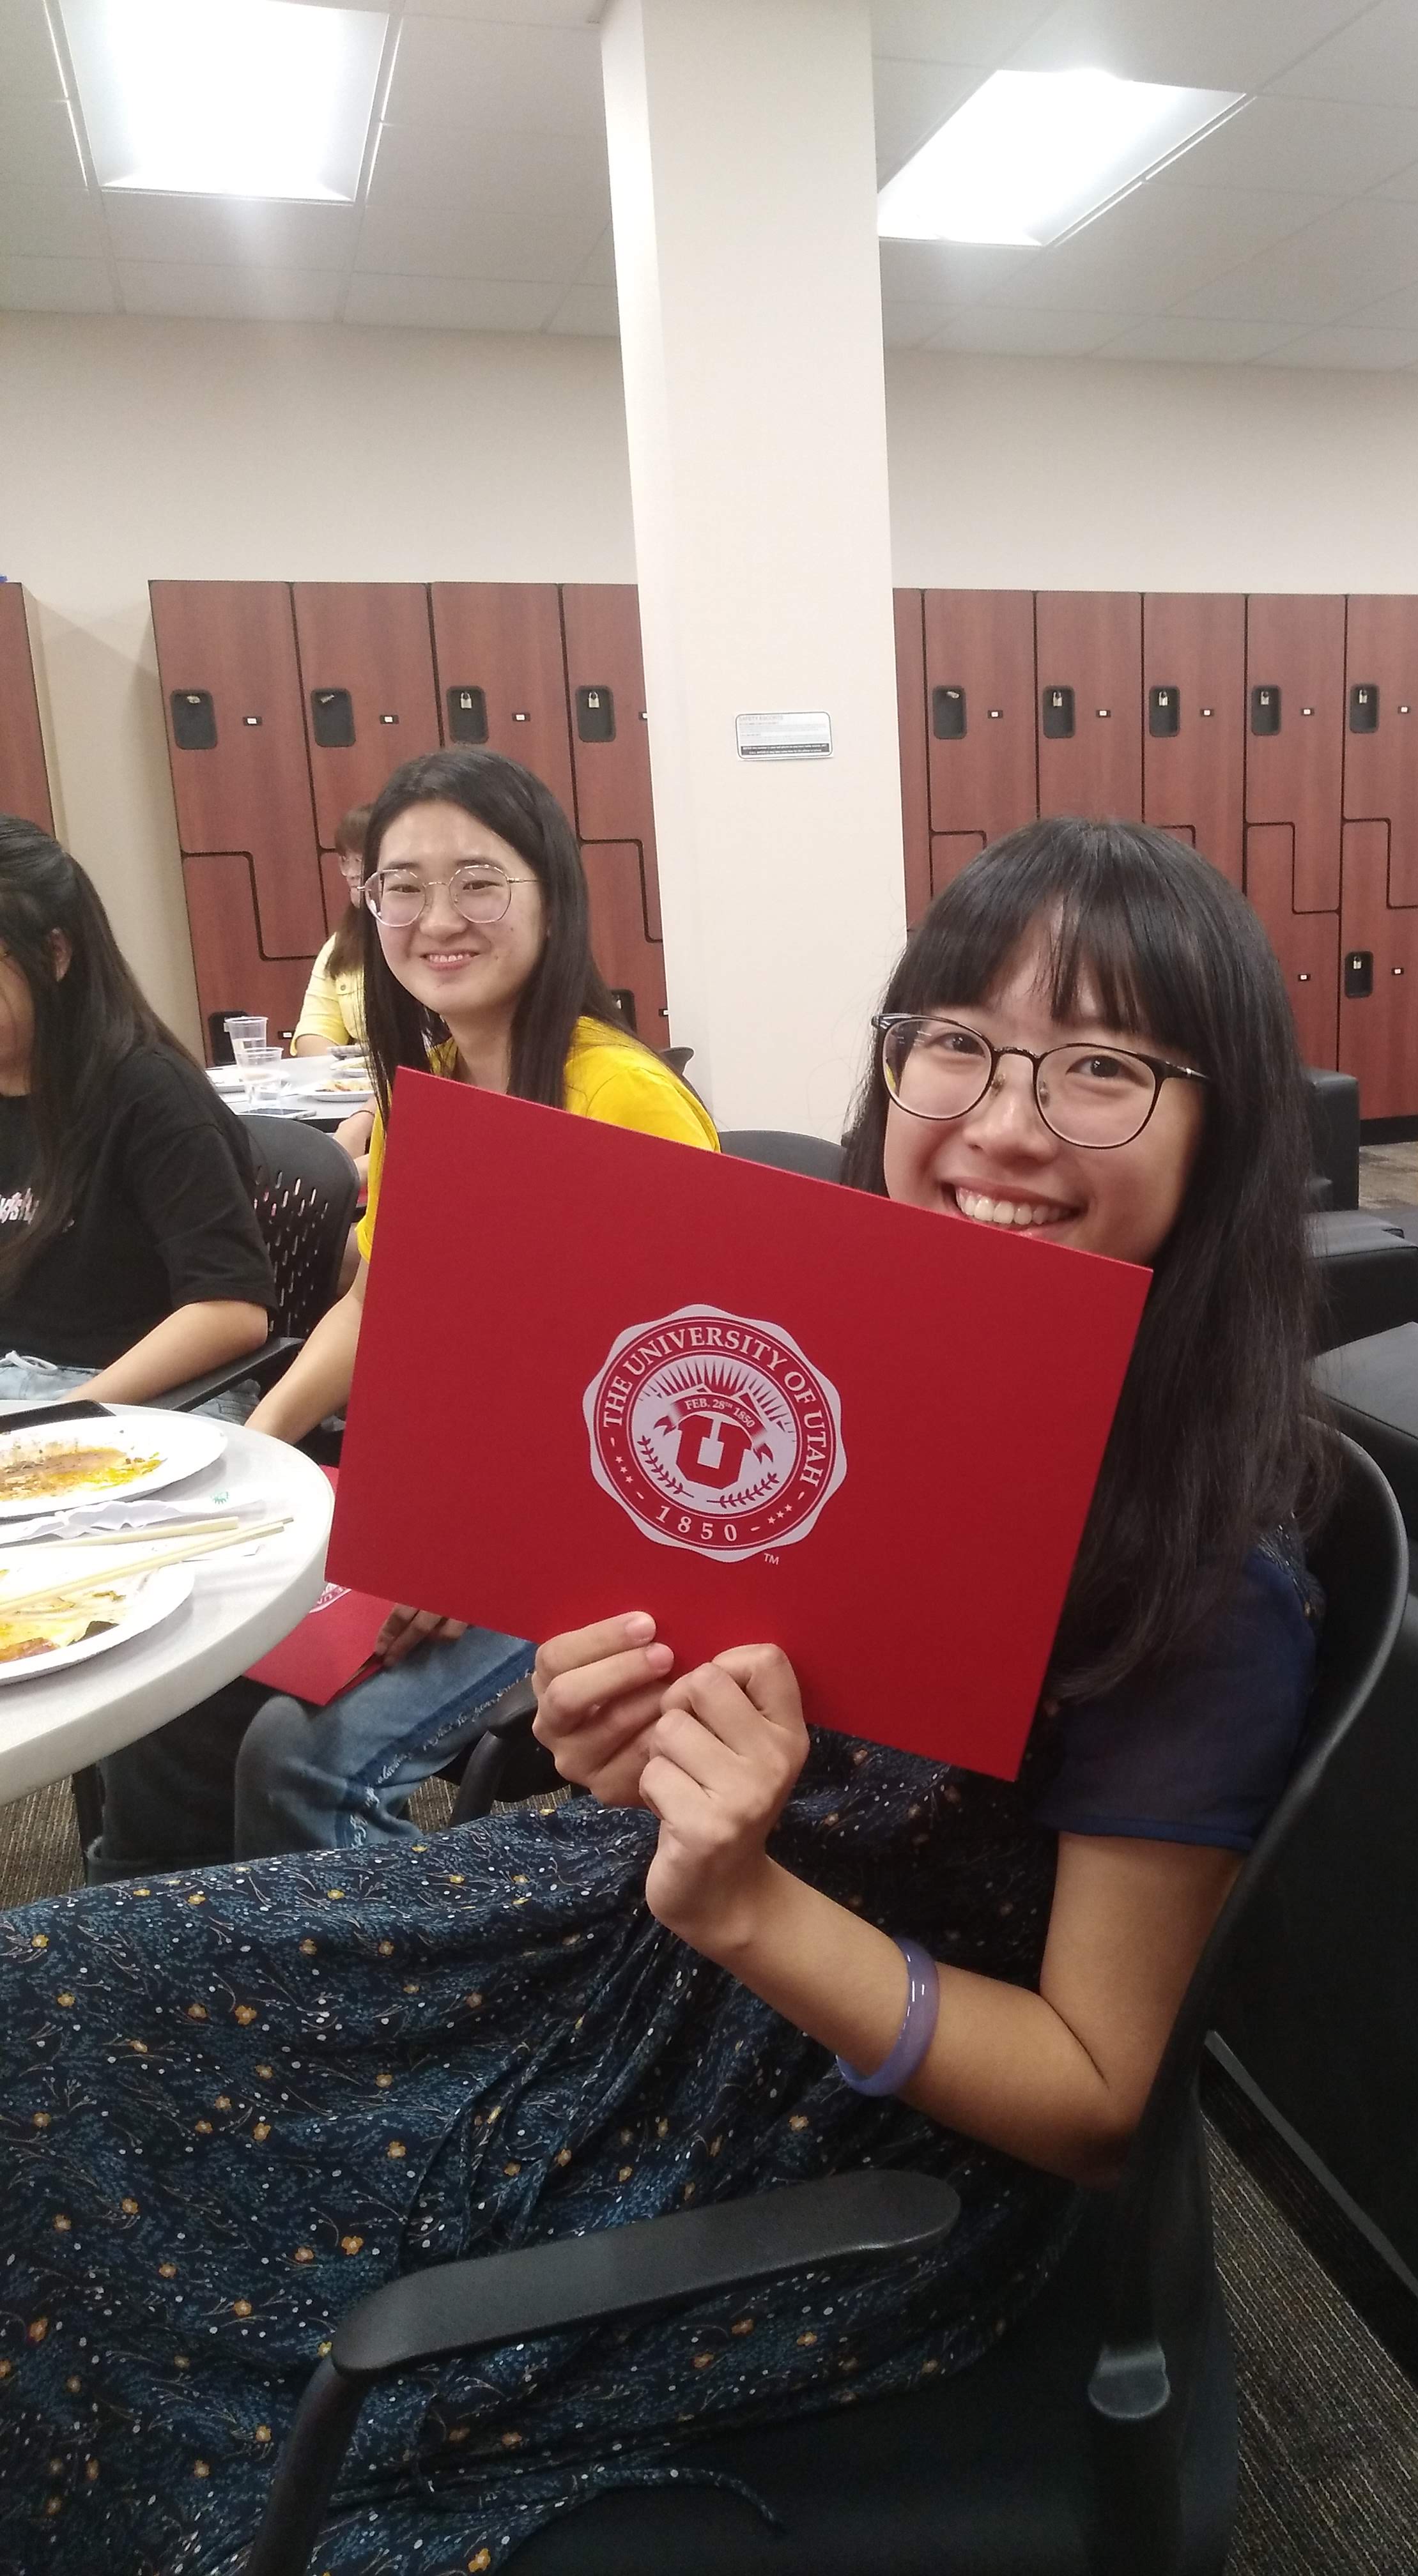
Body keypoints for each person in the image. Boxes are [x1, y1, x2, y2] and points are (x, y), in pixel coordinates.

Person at [0, 818, 1329, 2576]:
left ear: (1220, 1125)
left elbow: (1094, 2094)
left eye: (1104, 1069)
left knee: (172, 2294)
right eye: (960, 1044)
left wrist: (744, 1899)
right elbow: (735, 1760)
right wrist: (618, 1753)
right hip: (627, 1947)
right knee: (45, 2002)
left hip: (815, 2114)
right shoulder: (864, 1390)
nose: (1007, 1125)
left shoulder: (1200, 1572)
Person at [88, 748, 718, 1881]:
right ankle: (191, 1954)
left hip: (593, 1537)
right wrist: (256, 1441)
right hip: (451, 1506)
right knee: (173, 1656)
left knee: (301, 1762)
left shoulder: (620, 1097)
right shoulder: (428, 1085)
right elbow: (377, 1302)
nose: (439, 917)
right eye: (401, 885)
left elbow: (665, 1406)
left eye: (479, 881)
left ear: (552, 894)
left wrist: (469, 1543)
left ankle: (390, 2023)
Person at [0, 813, 271, 1409]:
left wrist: (64, 1417)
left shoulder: (150, 1093)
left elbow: (231, 1311)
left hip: (144, 1398)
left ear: (54, 954)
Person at [293, 802, 375, 1176]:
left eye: (365, 857)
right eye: (347, 860)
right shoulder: (341, 947)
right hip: (364, 1101)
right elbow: (312, 1034)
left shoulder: (426, 944)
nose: (354, 871)